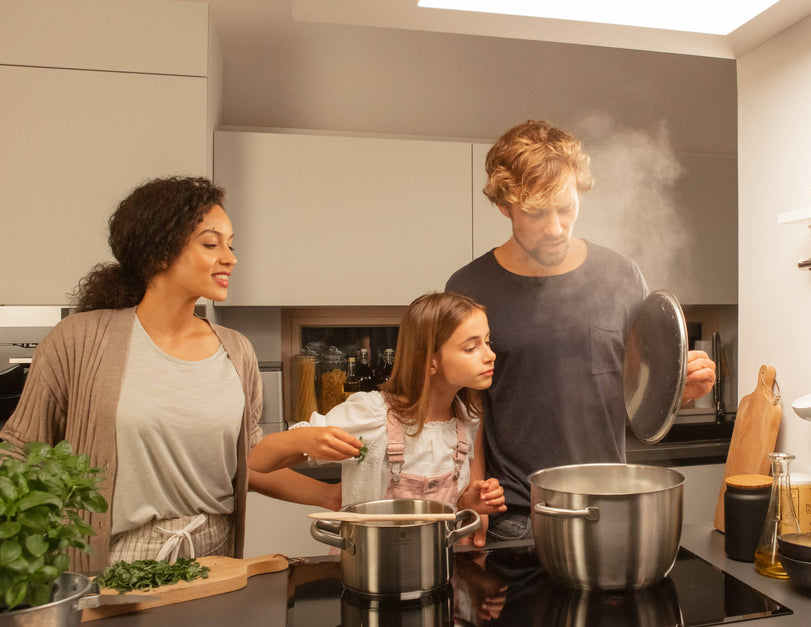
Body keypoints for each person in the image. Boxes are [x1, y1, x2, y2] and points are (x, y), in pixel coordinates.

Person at [0, 176, 340, 573]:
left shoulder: (237, 351)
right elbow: (20, 451)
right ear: (159, 252)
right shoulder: (79, 339)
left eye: (231, 245)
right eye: (211, 244)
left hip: (213, 564)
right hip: (108, 568)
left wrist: (330, 495)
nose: (229, 258)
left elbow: (243, 464)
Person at [446, 120, 717, 543]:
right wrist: (474, 501)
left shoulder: (621, 274)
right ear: (505, 205)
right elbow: (467, 409)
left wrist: (677, 389)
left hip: (610, 505)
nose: (555, 227)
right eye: (536, 212)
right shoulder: (471, 288)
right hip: (519, 516)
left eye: (566, 208)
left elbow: (638, 391)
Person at [248, 292, 507, 517]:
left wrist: (467, 502)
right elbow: (254, 462)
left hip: (435, 564)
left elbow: (443, 508)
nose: (490, 355)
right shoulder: (370, 415)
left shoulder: (464, 420)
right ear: (429, 361)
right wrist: (301, 440)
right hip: (368, 566)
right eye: (471, 348)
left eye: (487, 341)